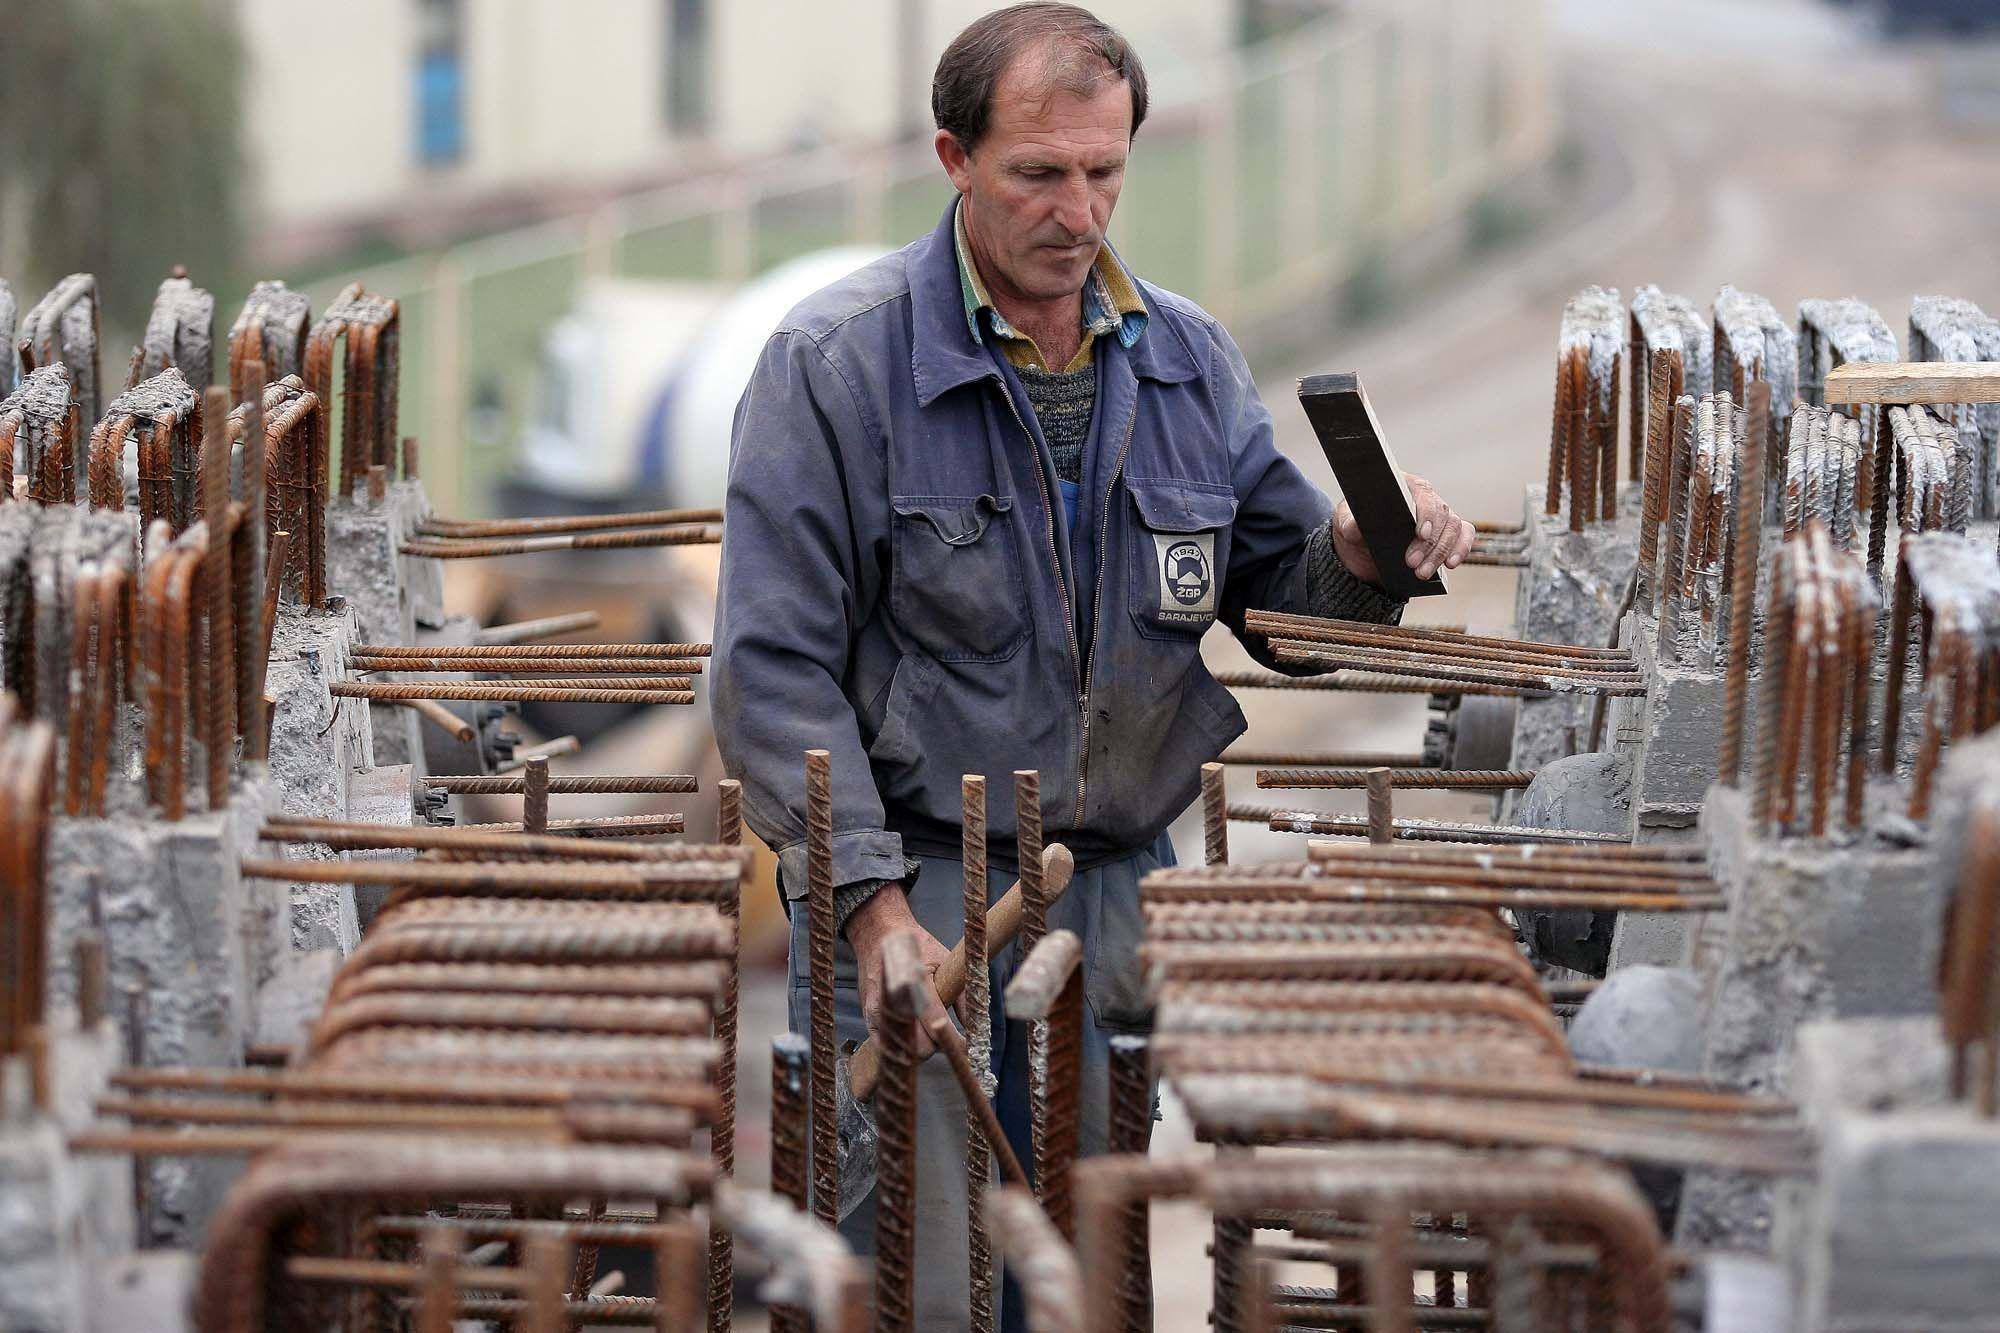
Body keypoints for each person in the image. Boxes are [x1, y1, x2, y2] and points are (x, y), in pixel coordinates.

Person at [714, 4, 1473, 1325]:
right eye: (1038, 174)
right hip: (922, 899)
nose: (1079, 211)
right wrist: (873, 911)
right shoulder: (834, 367)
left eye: (1105, 173)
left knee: (1085, 1286)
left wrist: (1361, 550)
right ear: (954, 157)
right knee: (927, 1289)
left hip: (1115, 901)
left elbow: (1285, 607)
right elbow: (773, 676)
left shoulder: (1182, 361)